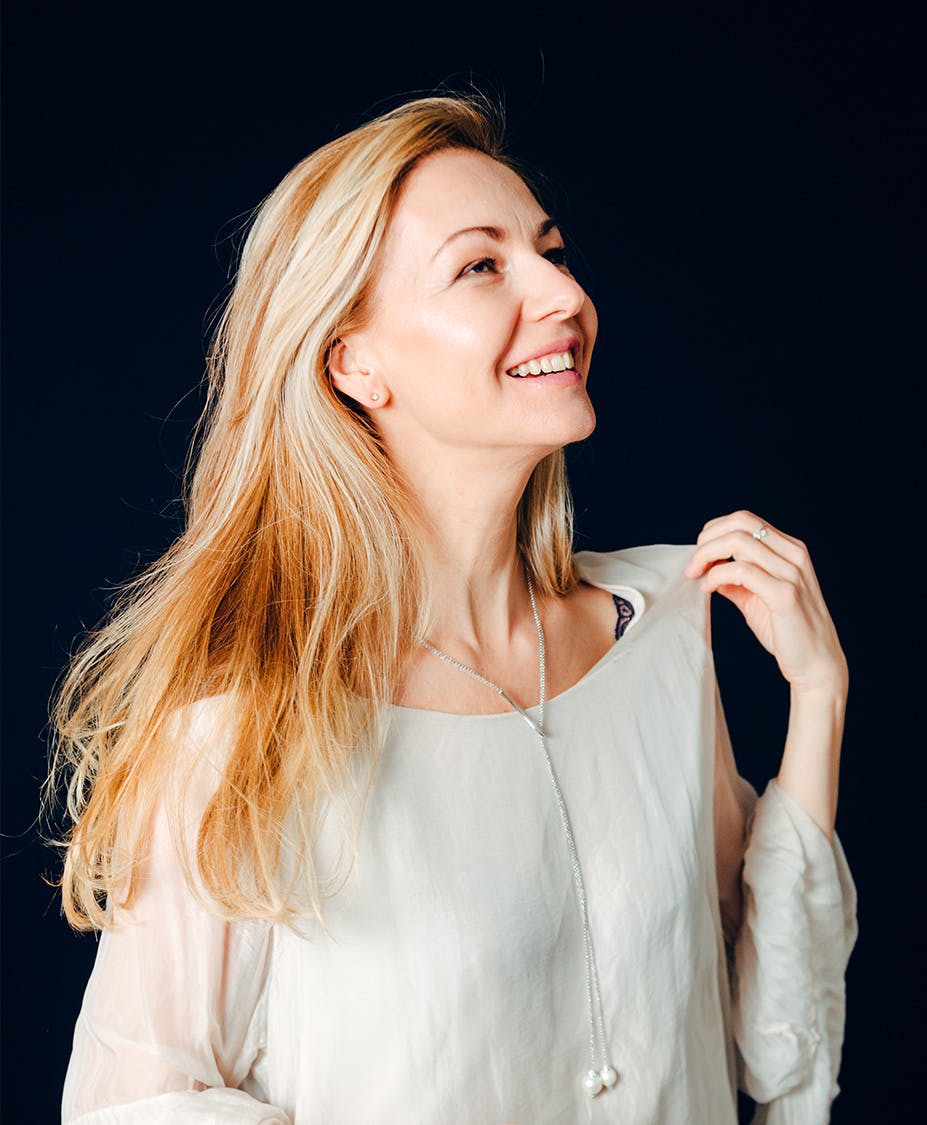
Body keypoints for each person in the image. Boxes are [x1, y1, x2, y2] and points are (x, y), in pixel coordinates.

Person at [50, 94, 857, 1125]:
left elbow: (765, 1030)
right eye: (482, 266)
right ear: (353, 361)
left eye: (550, 251)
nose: (563, 293)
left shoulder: (661, 629)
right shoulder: (245, 731)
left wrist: (818, 697)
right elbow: (136, 1103)